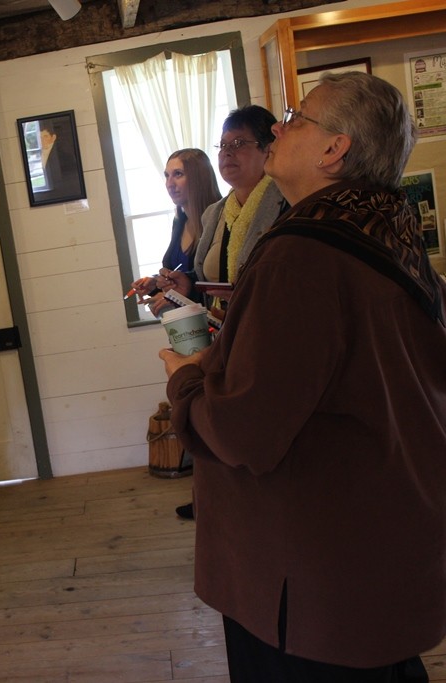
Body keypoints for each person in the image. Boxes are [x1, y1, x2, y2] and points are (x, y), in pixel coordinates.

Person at [159, 72, 446, 681]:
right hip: (388, 542)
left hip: (311, 576)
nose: (278, 127)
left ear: (336, 149)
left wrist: (186, 380)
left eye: (297, 117)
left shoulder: (302, 255)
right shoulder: (393, 235)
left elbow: (244, 431)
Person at [163, 106, 288, 519]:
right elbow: (202, 277)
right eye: (223, 146)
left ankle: (262, 510)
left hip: (266, 336)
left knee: (257, 429)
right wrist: (186, 288)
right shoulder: (218, 213)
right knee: (219, 425)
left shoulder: (286, 201)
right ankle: (225, 509)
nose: (228, 154)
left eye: (240, 144)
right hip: (220, 336)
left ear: (269, 148)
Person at [131, 148, 221, 318]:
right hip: (189, 323)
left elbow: (216, 281)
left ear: (198, 179)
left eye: (178, 174)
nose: (169, 184)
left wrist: (179, 296)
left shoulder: (220, 220)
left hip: (218, 319)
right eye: (166, 175)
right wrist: (155, 283)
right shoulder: (179, 222)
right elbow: (178, 274)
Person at [38, 120, 82, 200]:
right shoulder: (42, 154)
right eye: (41, 137)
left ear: (53, 137)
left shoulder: (60, 155)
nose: (42, 140)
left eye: (45, 136)